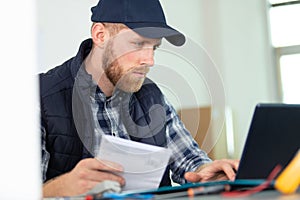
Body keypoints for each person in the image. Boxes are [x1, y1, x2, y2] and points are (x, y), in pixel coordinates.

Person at [40, 0, 239, 197]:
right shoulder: (40, 97)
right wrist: (62, 187)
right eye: (138, 43)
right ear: (100, 35)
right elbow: (16, 192)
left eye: (154, 48)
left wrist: (208, 173)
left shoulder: (151, 96)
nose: (150, 60)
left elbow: (190, 162)